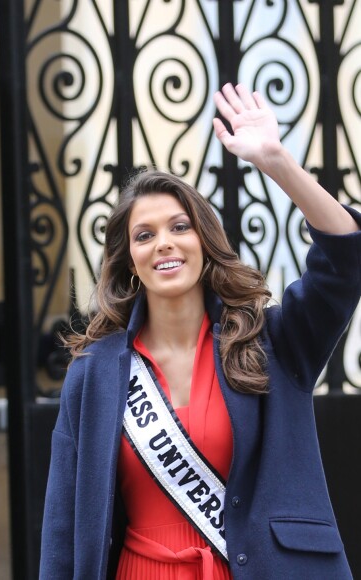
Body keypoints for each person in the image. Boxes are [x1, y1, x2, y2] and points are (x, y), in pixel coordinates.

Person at [39, 83, 361, 579]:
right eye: (145, 235)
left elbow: (345, 259)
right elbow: (63, 531)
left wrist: (277, 162)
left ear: (205, 242)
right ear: (131, 261)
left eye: (180, 227)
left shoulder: (273, 343)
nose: (164, 243)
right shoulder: (93, 374)